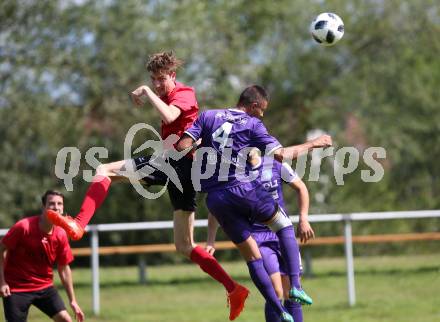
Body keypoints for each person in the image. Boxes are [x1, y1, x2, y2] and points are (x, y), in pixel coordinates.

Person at [47, 51, 248, 320]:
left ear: (173, 76)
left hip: (178, 164)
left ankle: (79, 224)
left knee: (103, 169)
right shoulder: (166, 94)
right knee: (184, 246)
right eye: (152, 79)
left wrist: (146, 92)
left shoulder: (184, 93)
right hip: (179, 168)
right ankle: (234, 289)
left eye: (161, 79)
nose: (156, 84)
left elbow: (168, 116)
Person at [176, 84, 331, 322]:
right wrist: (313, 144)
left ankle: (278, 309)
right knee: (283, 223)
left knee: (251, 257)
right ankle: (297, 287)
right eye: (262, 110)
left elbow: (182, 146)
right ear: (254, 105)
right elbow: (281, 155)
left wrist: (201, 153)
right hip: (242, 188)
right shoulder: (252, 124)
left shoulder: (207, 116)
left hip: (216, 199)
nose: (262, 115)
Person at [207, 148, 315, 322]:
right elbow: (216, 210)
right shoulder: (234, 174)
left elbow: (301, 187)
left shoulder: (275, 165)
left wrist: (304, 218)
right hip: (259, 238)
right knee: (276, 290)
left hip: (281, 235)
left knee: (292, 292)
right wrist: (211, 240)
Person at [0, 190, 84, 322]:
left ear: (63, 208)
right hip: (16, 288)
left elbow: (64, 268)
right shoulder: (24, 227)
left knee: (66, 320)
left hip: (44, 287)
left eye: (59, 204)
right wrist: (2, 282)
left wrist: (73, 300)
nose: (56, 207)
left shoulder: (61, 234)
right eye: (51, 204)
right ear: (43, 207)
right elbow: (1, 250)